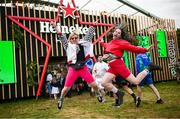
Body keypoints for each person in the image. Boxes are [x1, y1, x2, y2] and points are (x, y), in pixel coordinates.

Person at [100, 23, 161, 108]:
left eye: (119, 33)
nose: (116, 33)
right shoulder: (111, 43)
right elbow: (106, 45)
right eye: (116, 31)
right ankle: (119, 93)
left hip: (118, 65)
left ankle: (149, 68)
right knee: (104, 83)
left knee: (136, 81)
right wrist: (101, 43)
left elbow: (133, 48)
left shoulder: (122, 42)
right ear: (113, 32)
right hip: (112, 66)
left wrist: (145, 50)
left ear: (120, 36)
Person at [51, 21, 104, 110]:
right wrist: (56, 27)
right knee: (65, 89)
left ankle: (98, 94)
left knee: (94, 85)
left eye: (76, 38)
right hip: (73, 69)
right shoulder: (68, 46)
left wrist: (93, 25)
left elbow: (89, 36)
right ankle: (61, 99)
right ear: (70, 40)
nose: (75, 39)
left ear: (78, 38)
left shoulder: (83, 43)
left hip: (83, 68)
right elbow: (61, 36)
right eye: (72, 38)